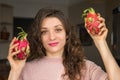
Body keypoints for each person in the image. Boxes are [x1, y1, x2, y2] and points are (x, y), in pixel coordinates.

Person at [7, 7, 120, 80]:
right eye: (44, 31)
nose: (52, 37)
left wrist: (101, 42)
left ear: (67, 34)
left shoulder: (87, 67)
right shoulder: (25, 70)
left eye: (58, 30)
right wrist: (15, 71)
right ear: (39, 37)